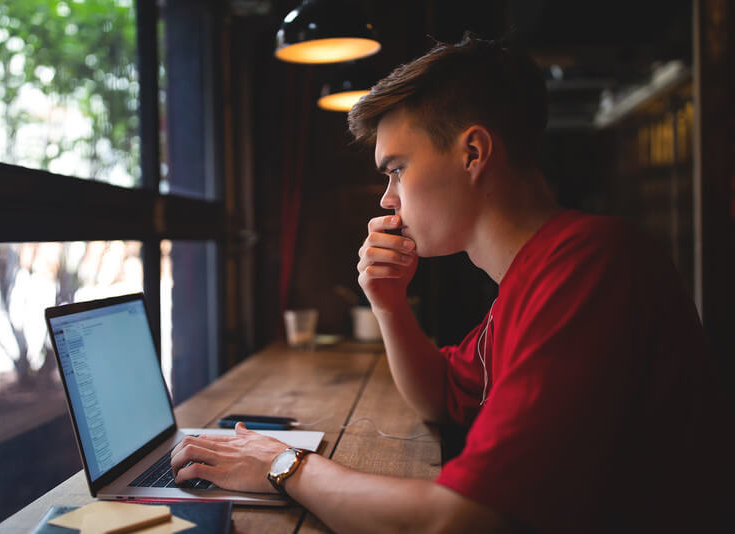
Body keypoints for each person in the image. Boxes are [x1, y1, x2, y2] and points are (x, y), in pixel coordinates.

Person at [171, 34, 732, 533]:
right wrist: (388, 304)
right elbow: (441, 397)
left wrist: (282, 464)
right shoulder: (533, 275)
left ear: (472, 153)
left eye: (396, 169)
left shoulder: (591, 265)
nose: (387, 199)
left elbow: (459, 520)